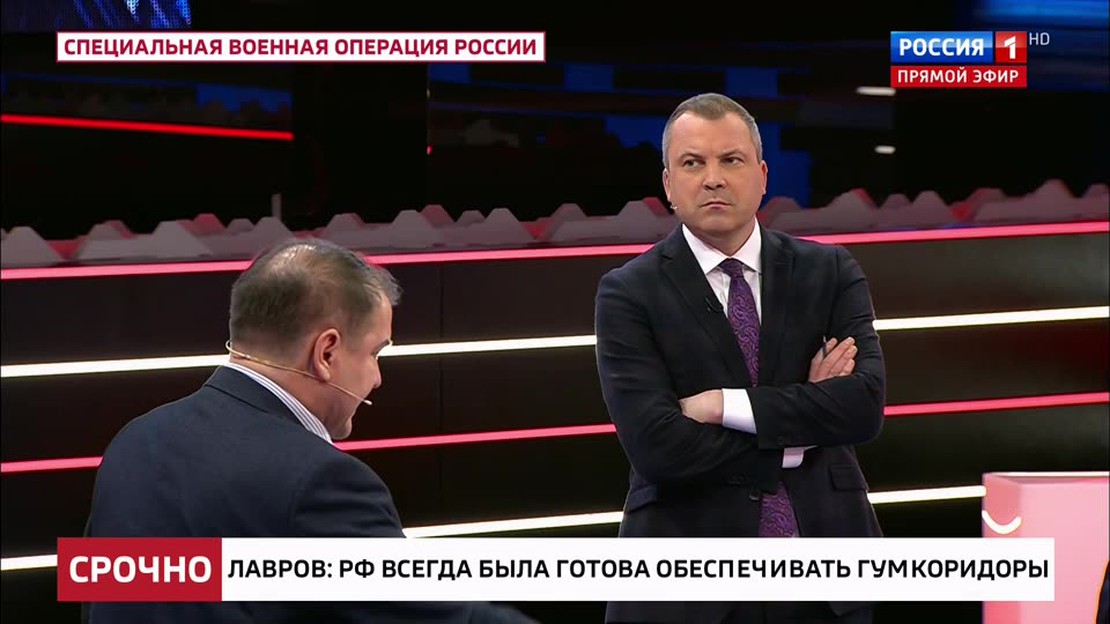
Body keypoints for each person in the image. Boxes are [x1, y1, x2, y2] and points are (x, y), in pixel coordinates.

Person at [83, 238, 536, 624]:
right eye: (375, 353)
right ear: (327, 353)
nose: (377, 378)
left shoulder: (134, 441)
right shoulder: (319, 482)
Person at [594, 93, 886, 624]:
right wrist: (799, 430)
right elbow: (658, 447)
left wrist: (721, 406)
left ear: (762, 174)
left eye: (731, 160)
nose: (713, 179)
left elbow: (861, 408)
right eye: (693, 163)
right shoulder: (628, 292)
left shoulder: (829, 271)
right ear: (668, 184)